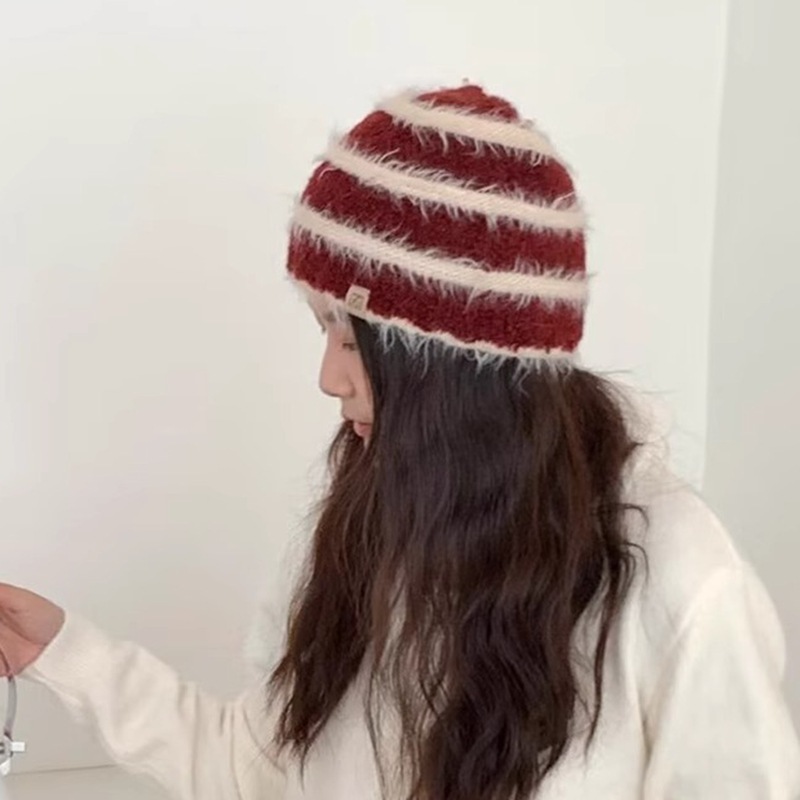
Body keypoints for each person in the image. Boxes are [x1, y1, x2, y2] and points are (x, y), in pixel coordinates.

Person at [1, 84, 799, 800]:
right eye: (323, 331)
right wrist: (69, 656)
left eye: (353, 341)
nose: (328, 377)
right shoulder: (366, 524)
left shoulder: (682, 583)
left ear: (456, 368)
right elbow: (258, 772)